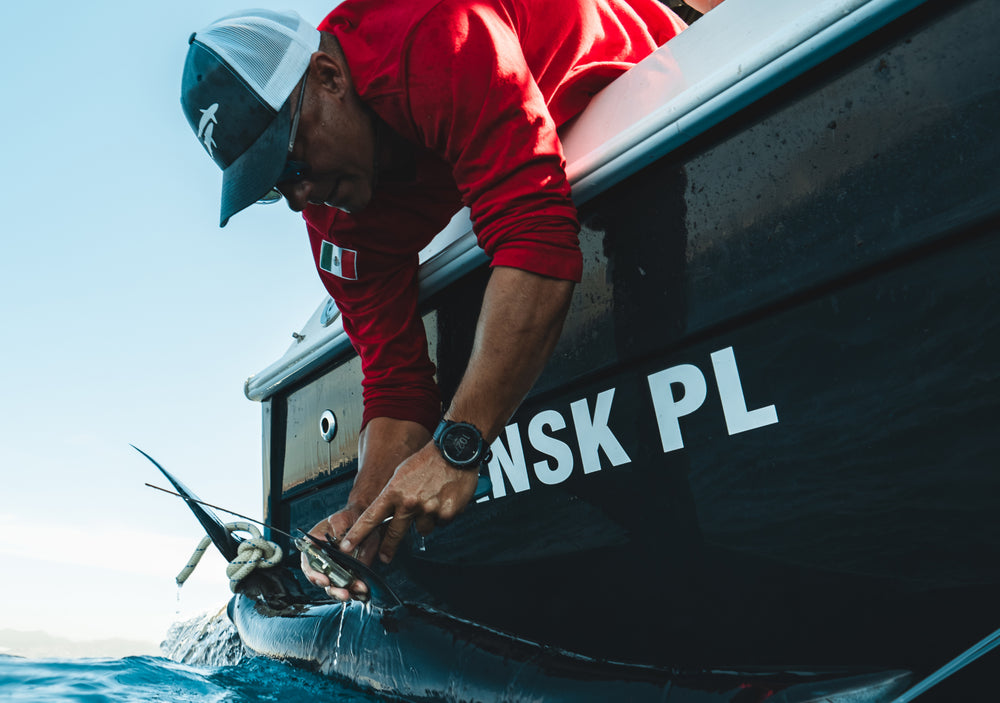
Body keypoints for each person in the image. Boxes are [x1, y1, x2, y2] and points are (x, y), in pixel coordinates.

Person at [181, 0, 690, 600]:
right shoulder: (331, 219)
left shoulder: (434, 35)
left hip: (660, 60)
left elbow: (536, 234)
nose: (299, 197)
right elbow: (395, 384)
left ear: (329, 77)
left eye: (288, 162)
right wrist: (359, 522)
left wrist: (459, 444)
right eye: (272, 189)